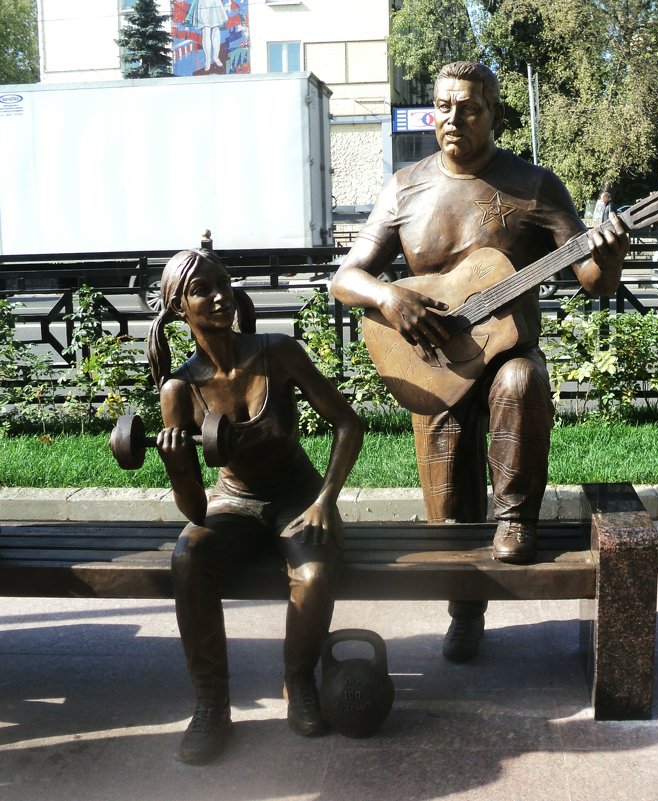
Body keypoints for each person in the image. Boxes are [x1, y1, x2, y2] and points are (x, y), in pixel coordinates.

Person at [328, 61, 628, 664]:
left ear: (493, 113)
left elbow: (590, 278)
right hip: (433, 361)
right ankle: (465, 611)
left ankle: (516, 519)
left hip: (505, 352)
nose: (453, 118)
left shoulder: (534, 187)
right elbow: (346, 278)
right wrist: (390, 296)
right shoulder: (406, 187)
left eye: (468, 107)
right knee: (447, 510)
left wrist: (610, 253)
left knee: (521, 378)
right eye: (442, 105)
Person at [148, 248, 364, 765]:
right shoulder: (179, 388)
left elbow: (348, 424)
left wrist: (325, 500)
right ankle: (211, 704)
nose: (220, 295)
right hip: (234, 502)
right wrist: (179, 468)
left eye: (224, 283)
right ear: (180, 307)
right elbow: (196, 511)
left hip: (297, 498)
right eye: (203, 289)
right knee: (188, 557)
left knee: (313, 576)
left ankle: (299, 681)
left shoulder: (278, 353)